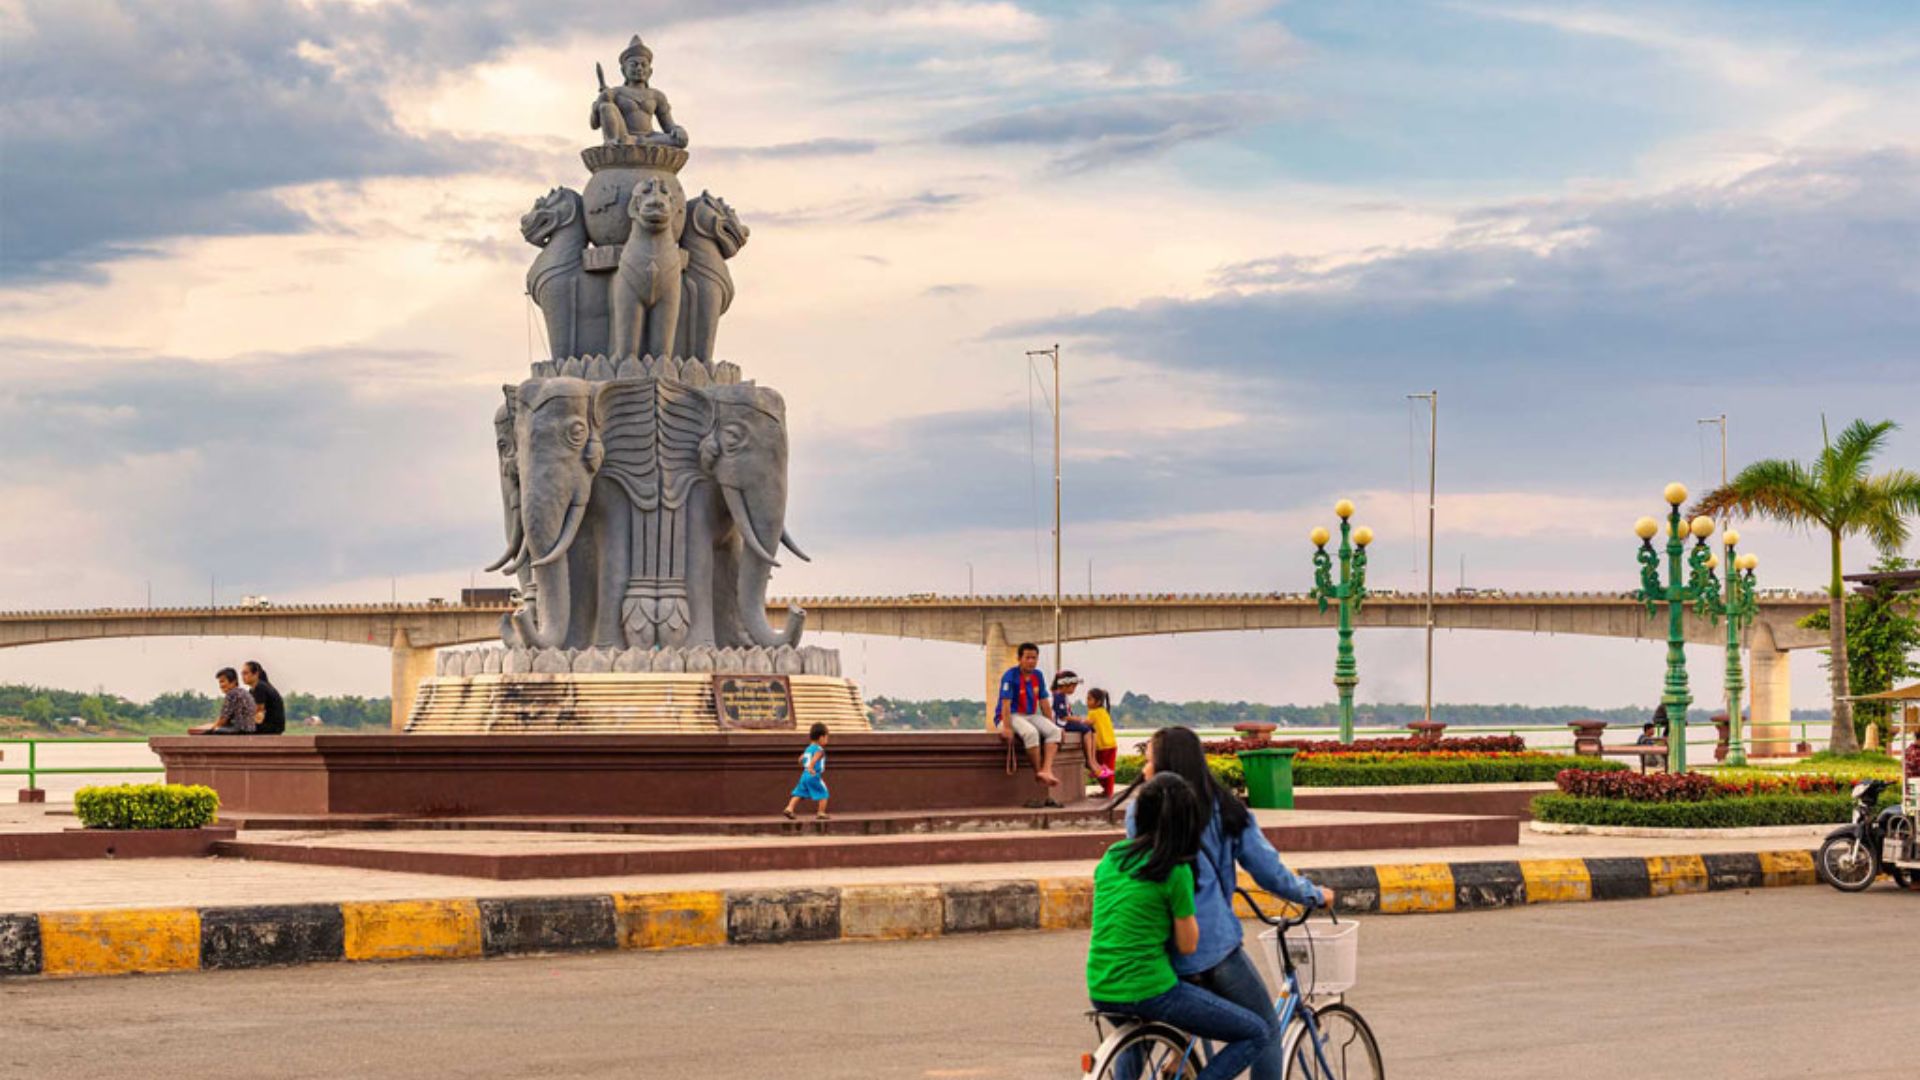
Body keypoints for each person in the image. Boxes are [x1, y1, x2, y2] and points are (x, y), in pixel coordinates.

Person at [1127, 727, 1331, 1080]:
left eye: (1148, 761)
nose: (1144, 768)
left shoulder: (1139, 812)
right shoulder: (1226, 810)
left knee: (1139, 1033)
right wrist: (1313, 894)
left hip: (1156, 942)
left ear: (1164, 767)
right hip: (1210, 949)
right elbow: (1270, 873)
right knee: (1264, 1029)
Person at [1088, 772, 1279, 1080]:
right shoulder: (1175, 870)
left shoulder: (1111, 857)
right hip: (1149, 990)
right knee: (1256, 1032)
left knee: (1139, 1042)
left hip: (1101, 987)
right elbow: (1188, 945)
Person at [991, 642, 1062, 807]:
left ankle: (1046, 769)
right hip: (1010, 715)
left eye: (1034, 658)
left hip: (1030, 714)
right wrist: (1007, 727)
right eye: (1028, 658)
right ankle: (1038, 771)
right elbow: (1006, 704)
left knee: (1054, 732)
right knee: (1031, 733)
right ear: (1019, 659)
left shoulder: (1038, 675)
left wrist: (1051, 723)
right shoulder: (1010, 675)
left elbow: (1044, 702)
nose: (1031, 661)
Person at [1053, 670, 1108, 790]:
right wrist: (1079, 719)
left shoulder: (1064, 696)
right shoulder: (1058, 696)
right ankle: (1089, 760)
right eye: (1073, 686)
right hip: (1062, 724)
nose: (1074, 689)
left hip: (1067, 721)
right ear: (1065, 685)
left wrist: (1079, 719)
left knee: (1091, 729)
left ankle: (1093, 761)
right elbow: (1063, 716)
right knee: (1086, 730)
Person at [784, 722, 831, 820]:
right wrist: (811, 767)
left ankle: (789, 808)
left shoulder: (808, 749)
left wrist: (805, 766)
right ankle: (821, 812)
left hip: (804, 775)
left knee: (800, 793)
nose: (827, 740)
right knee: (824, 792)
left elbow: (800, 759)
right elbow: (815, 758)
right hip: (813, 774)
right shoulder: (819, 749)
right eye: (827, 737)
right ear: (821, 737)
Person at [189, 668, 256, 736]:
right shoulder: (244, 692)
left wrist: (212, 729)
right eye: (219, 682)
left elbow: (223, 719)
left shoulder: (232, 694)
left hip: (239, 729)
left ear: (233, 682)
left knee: (207, 734)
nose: (220, 685)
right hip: (250, 729)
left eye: (222, 681)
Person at [1087, 688, 1119, 798]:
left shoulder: (1093, 713)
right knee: (1107, 769)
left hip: (1103, 746)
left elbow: (1087, 723)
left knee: (1103, 769)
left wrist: (1071, 719)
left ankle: (1108, 792)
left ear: (1098, 702)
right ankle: (1107, 791)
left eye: (1090, 699)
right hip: (1110, 745)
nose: (1087, 701)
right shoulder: (1104, 711)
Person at [242, 661, 285, 736]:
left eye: (246, 673)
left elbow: (258, 712)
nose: (243, 676)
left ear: (256, 674)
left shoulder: (260, 687)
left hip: (271, 727)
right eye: (242, 674)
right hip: (270, 727)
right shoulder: (253, 689)